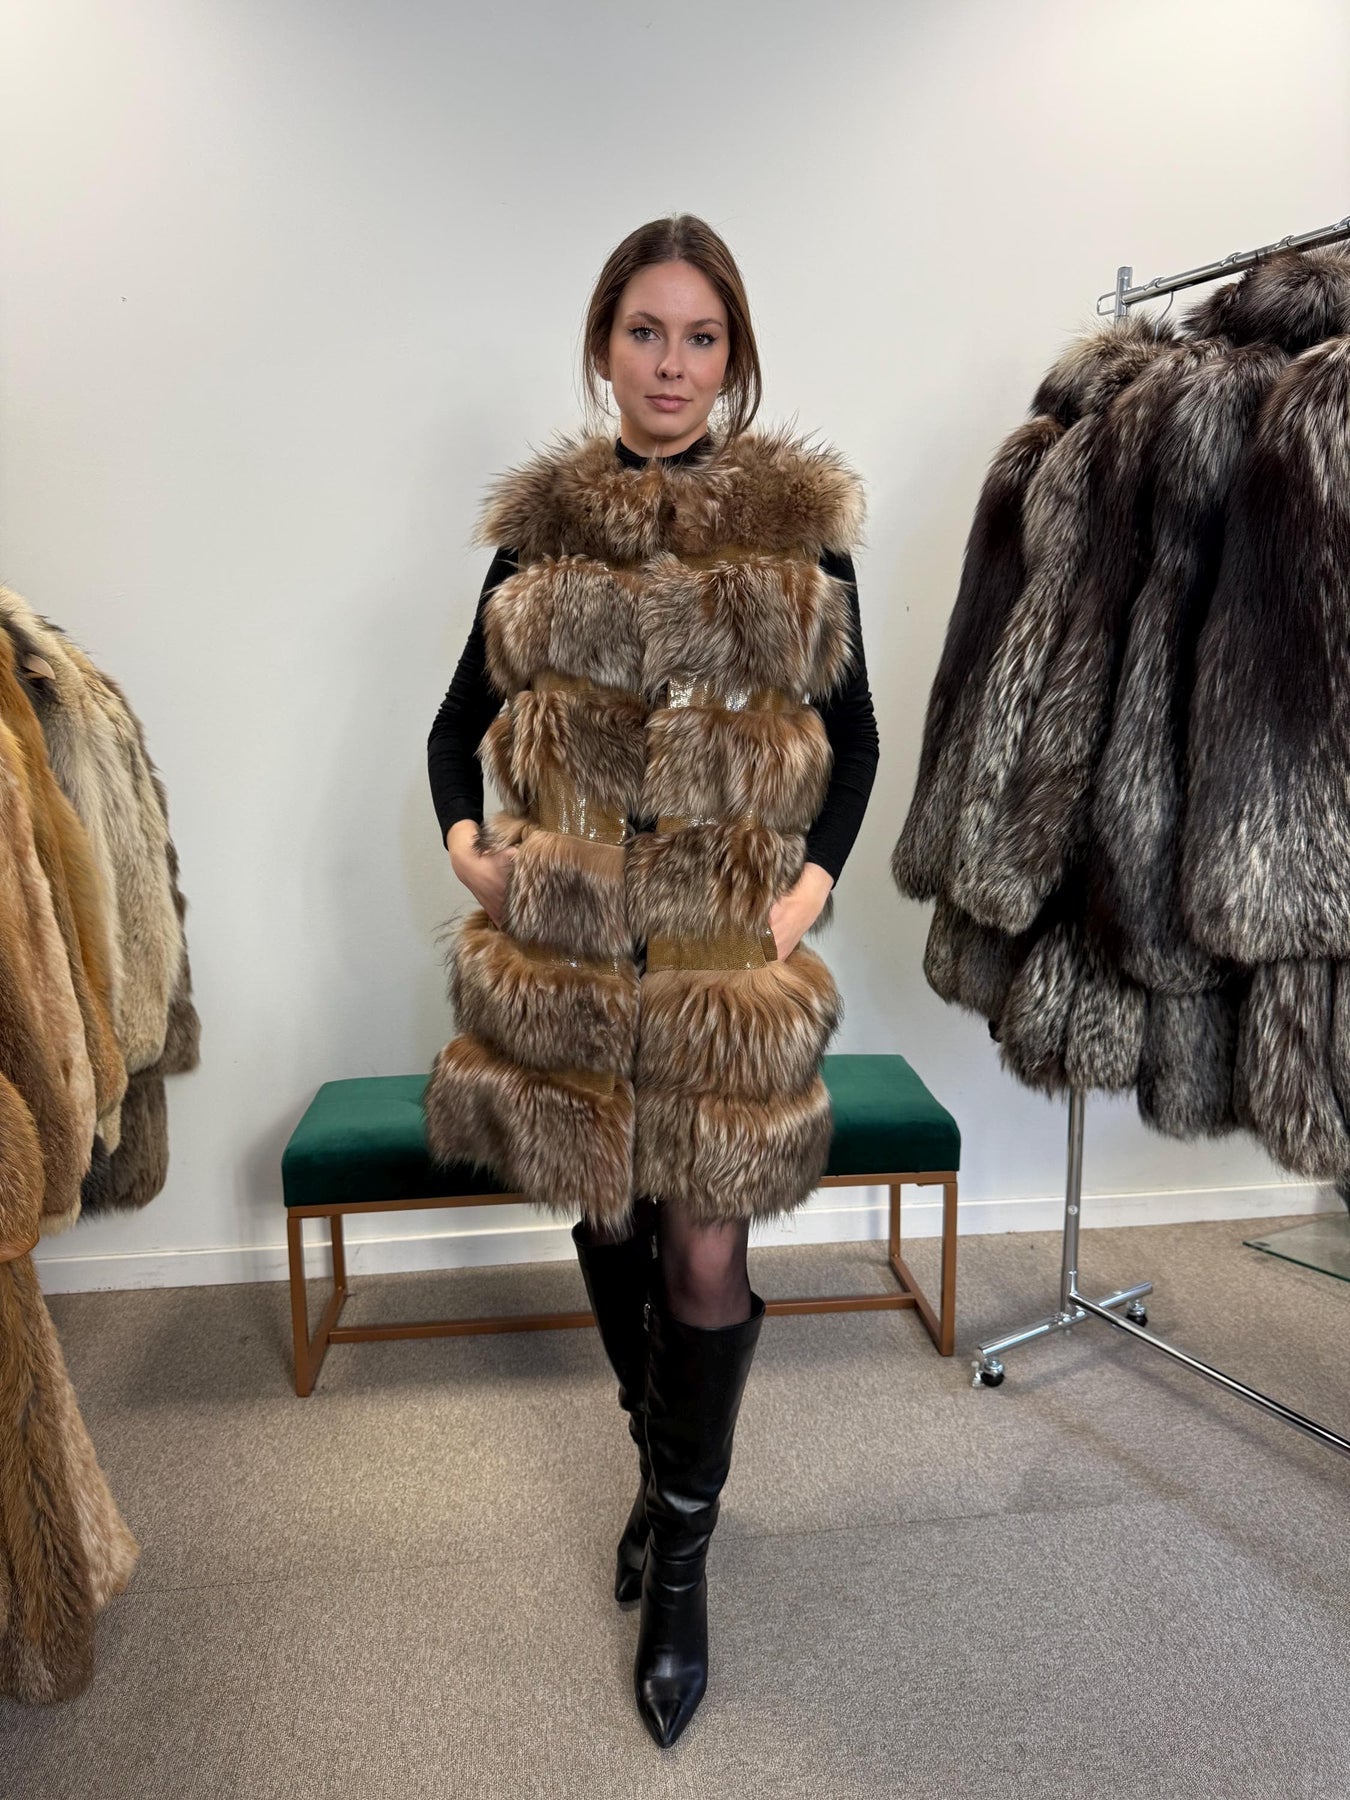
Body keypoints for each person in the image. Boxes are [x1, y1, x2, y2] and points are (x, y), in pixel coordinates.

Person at [425, 214, 878, 1748]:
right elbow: (453, 728)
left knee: (700, 1253)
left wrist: (807, 890)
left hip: (716, 971)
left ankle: (680, 1566)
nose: (669, 365)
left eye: (698, 337)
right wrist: (475, 852)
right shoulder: (544, 532)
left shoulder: (794, 533)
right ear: (601, 346)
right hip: (571, 964)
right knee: (607, 1224)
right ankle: (652, 1458)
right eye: (643, 333)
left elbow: (855, 739)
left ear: (731, 355)